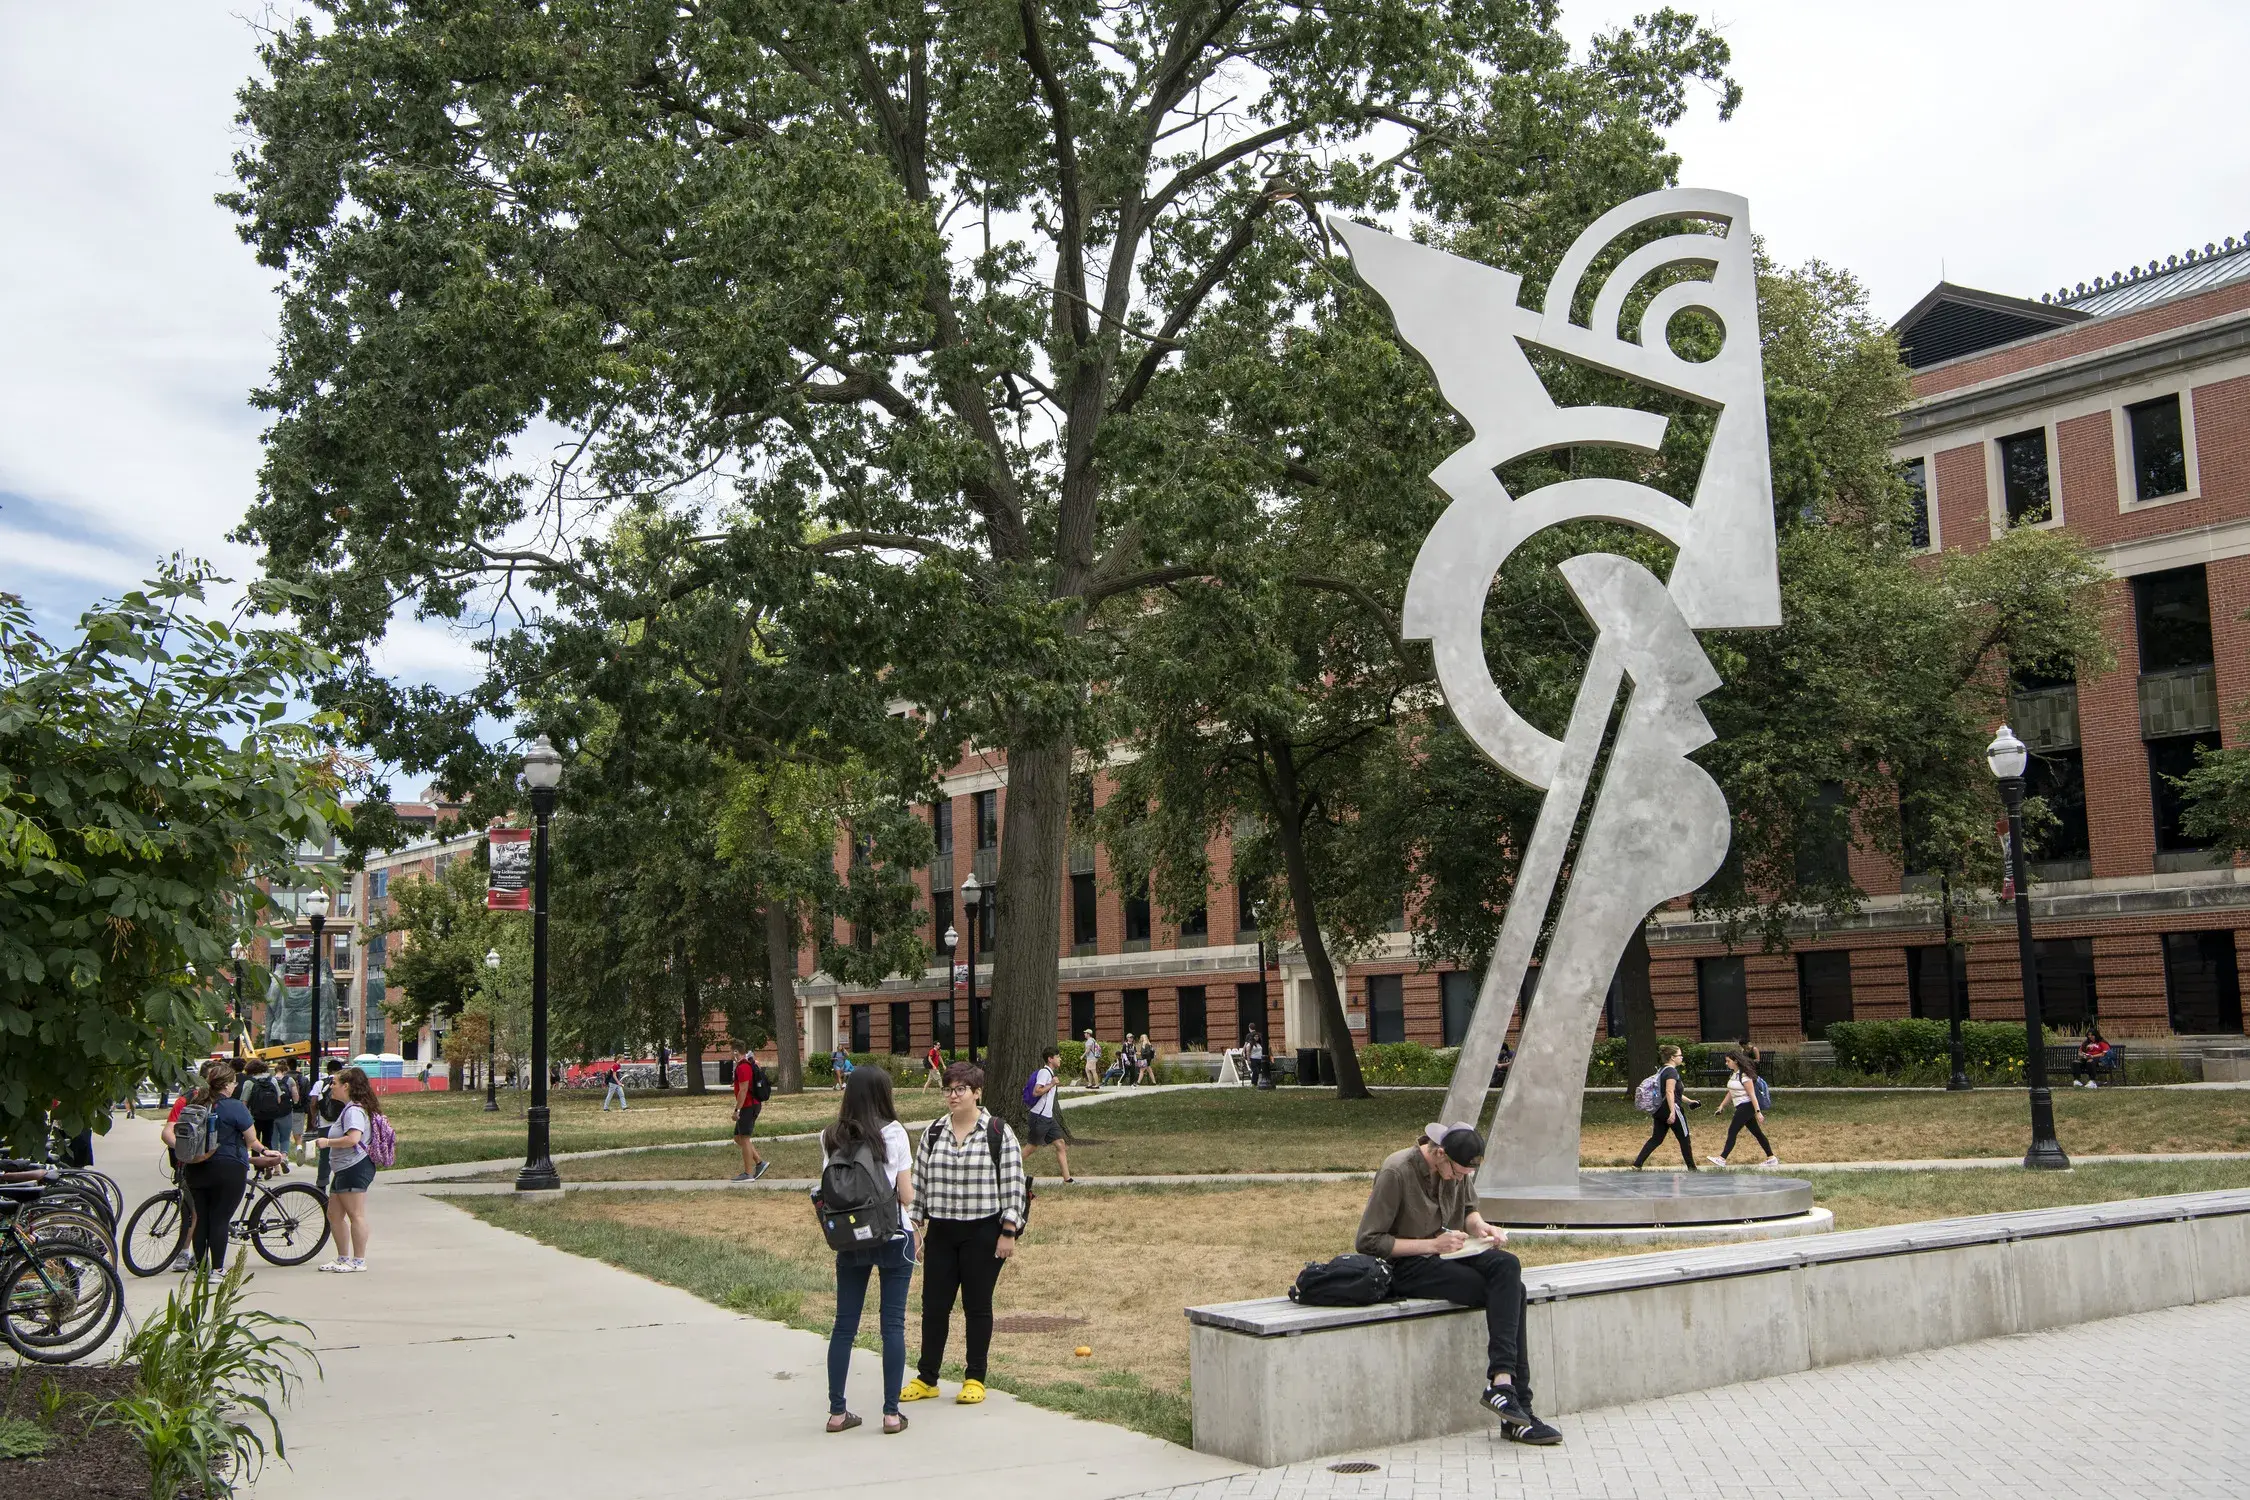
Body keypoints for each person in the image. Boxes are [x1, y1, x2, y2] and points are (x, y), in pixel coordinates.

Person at [1356, 1123, 1560, 1445]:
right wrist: (1433, 1246)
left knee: (1508, 1266)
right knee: (1513, 1294)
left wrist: (1483, 1228)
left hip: (1449, 1253)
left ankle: (1503, 1384)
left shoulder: (1457, 1168)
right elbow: (1368, 1241)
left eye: (1467, 1174)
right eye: (1457, 1172)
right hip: (1408, 1265)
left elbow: (1467, 1211)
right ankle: (1519, 1409)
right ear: (1439, 1153)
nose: (1460, 1178)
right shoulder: (1396, 1171)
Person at [900, 1062, 1027, 1407]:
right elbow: (920, 1184)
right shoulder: (934, 1133)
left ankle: (975, 1377)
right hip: (942, 1231)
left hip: (983, 1231)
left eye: (960, 1089)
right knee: (934, 1306)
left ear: (976, 1093)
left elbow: (1013, 1186)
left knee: (977, 1305)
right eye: (948, 1089)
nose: (952, 1096)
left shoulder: (998, 1132)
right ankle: (928, 1378)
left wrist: (1008, 1232)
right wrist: (916, 1228)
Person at [820, 1068, 917, 1435]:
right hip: (892, 1236)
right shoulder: (894, 1134)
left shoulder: (830, 1136)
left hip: (849, 1239)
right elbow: (906, 1195)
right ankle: (892, 1413)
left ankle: (837, 1412)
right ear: (883, 1094)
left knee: (844, 1325)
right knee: (892, 1325)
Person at [176, 1061, 285, 1271]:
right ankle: (217, 1270)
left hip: (196, 1167)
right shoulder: (234, 1106)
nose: (235, 1086)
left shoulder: (195, 1104)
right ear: (225, 1085)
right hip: (228, 1169)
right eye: (233, 1082)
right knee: (220, 1219)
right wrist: (265, 1151)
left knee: (201, 1219)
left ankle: (200, 1268)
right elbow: (251, 1139)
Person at [312, 1066, 382, 1272]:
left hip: (355, 1167)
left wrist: (327, 1142)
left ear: (347, 1086)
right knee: (334, 1214)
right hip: (343, 1168)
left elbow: (353, 1139)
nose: (331, 1086)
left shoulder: (354, 1111)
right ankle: (343, 1257)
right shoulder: (350, 1108)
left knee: (355, 1214)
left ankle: (358, 1260)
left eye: (334, 1083)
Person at [1707, 1048, 1778, 1167]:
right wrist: (1722, 1106)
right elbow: (1731, 1092)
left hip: (1746, 1106)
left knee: (1732, 1131)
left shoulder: (1745, 1076)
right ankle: (1771, 1157)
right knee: (1757, 1133)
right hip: (1741, 1106)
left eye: (1728, 1061)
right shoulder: (1734, 1074)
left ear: (1736, 1061)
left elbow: (1752, 1095)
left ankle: (1722, 1158)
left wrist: (1758, 1112)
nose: (1726, 1063)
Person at [1632, 1044, 1698, 1171]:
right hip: (1671, 1109)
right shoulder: (1672, 1072)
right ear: (1672, 1057)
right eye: (1680, 1055)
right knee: (1684, 1137)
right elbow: (1669, 1092)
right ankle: (1692, 1167)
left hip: (1659, 1110)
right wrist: (1672, 1112)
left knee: (1656, 1138)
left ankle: (1637, 1164)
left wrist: (1689, 1101)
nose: (1682, 1057)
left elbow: (1674, 1092)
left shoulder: (1662, 1070)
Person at [1025, 1044, 1073, 1183]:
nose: (1060, 1059)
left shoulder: (1050, 1073)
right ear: (1050, 1059)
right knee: (1030, 1148)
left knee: (1060, 1143)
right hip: (1039, 1117)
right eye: (1058, 1057)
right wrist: (1051, 1084)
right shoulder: (1045, 1073)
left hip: (1048, 1118)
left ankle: (1067, 1180)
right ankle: (1005, 1169)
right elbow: (1036, 1091)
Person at [732, 1047, 771, 1181]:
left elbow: (743, 1090)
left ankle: (748, 1173)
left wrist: (737, 1110)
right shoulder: (745, 1065)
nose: (730, 1053)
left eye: (732, 1050)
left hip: (748, 1105)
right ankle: (760, 1163)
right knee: (738, 1137)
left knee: (744, 1138)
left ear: (737, 1051)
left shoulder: (743, 1067)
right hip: (749, 1104)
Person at [242, 1057, 284, 1150]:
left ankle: (258, 1163)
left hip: (254, 1117)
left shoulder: (249, 1082)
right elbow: (279, 1100)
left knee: (254, 1141)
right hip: (270, 1116)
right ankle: (269, 1161)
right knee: (268, 1141)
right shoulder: (272, 1080)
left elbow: (243, 1103)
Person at [275, 1056, 309, 1161]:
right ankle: (299, 1148)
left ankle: (280, 1157)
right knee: (298, 1135)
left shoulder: (280, 1079)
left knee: (281, 1136)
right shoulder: (303, 1079)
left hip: (283, 1111)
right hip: (299, 1110)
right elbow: (306, 1096)